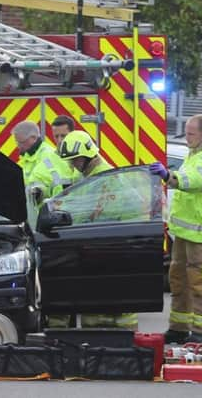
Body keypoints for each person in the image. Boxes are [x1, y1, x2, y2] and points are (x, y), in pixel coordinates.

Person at [149, 114, 202, 344]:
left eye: (191, 134)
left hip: (201, 235)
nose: (187, 138)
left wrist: (168, 176)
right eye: (186, 132)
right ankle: (179, 328)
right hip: (185, 233)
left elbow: (192, 180)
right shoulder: (195, 154)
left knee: (200, 285)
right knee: (179, 280)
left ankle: (200, 334)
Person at [55, 130, 139, 330]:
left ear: (88, 155)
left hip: (111, 246)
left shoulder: (103, 179)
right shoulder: (89, 176)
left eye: (75, 160)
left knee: (110, 303)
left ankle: (116, 341)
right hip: (99, 244)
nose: (72, 165)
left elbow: (89, 213)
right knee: (95, 302)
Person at [11, 121, 72, 206]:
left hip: (48, 213)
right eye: (17, 142)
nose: (18, 146)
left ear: (33, 138)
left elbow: (58, 186)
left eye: (21, 142)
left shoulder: (48, 156)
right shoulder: (28, 156)